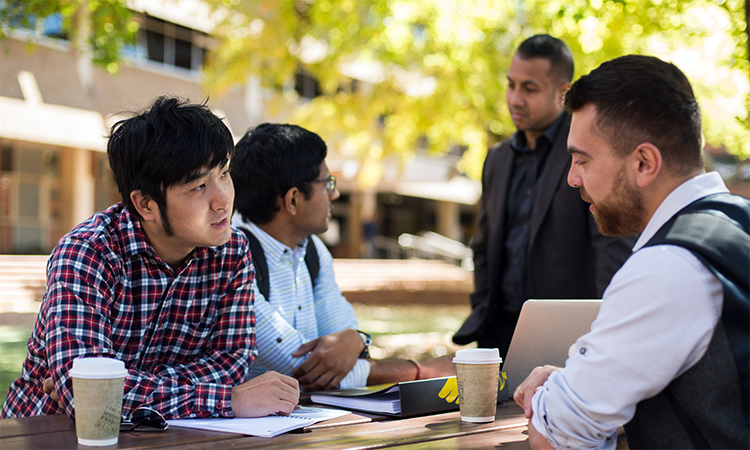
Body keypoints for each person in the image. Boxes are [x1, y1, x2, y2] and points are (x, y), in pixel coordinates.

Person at [1, 97, 299, 420]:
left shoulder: (231, 251)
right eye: (199, 186)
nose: (223, 200)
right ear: (145, 205)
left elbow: (232, 362)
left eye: (224, 174)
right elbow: (87, 398)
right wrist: (226, 400)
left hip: (168, 437)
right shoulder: (89, 253)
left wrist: (119, 387)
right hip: (48, 434)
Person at [514, 55, 750, 449]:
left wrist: (551, 401)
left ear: (643, 162)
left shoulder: (668, 267)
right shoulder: (740, 223)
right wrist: (578, 383)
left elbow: (558, 436)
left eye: (581, 159)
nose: (573, 178)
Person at [230, 123, 455, 391]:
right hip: (238, 430)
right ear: (292, 200)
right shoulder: (231, 258)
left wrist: (357, 340)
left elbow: (343, 346)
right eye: (327, 183)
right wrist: (420, 370)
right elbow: (305, 368)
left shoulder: (313, 251)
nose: (334, 194)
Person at [453, 34, 635, 357]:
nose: (515, 99)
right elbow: (483, 245)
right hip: (497, 334)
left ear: (563, 93)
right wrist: (483, 307)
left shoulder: (588, 153)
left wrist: (607, 331)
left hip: (568, 339)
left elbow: (611, 243)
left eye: (530, 88)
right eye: (511, 85)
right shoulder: (496, 159)